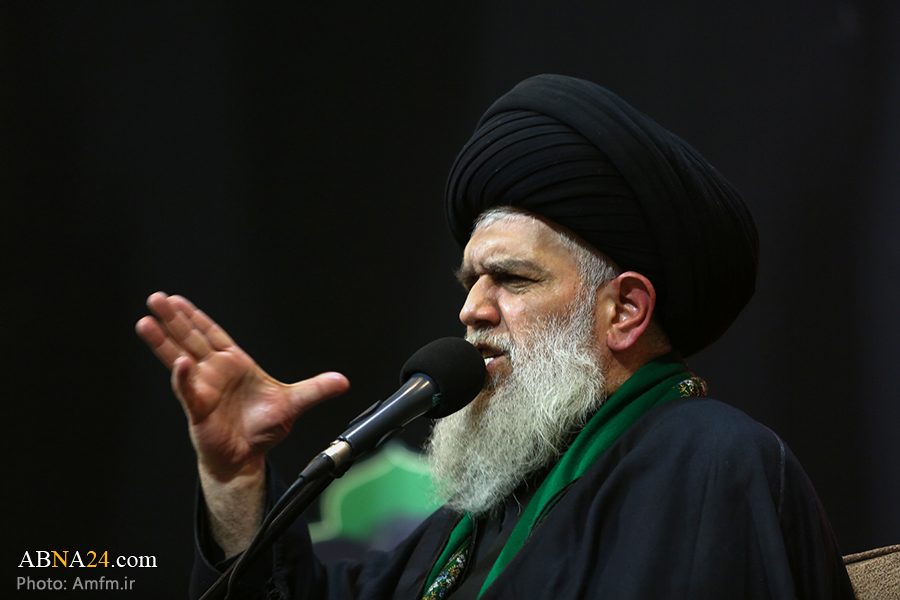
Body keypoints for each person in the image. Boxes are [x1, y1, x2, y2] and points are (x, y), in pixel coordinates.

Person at [137, 75, 855, 599]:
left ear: (625, 312)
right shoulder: (476, 517)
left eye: (511, 279)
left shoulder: (711, 462)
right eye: (469, 282)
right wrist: (237, 480)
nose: (471, 311)